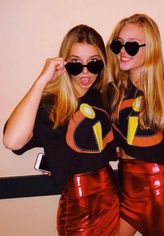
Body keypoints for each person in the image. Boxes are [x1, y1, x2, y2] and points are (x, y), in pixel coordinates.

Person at [3, 24, 119, 236]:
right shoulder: (52, 104)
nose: (85, 72)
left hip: (110, 200)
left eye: (93, 63)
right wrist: (42, 80)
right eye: (75, 64)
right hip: (77, 209)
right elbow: (12, 141)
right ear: (64, 63)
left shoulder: (104, 96)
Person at [106, 13, 164, 236]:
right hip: (126, 190)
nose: (122, 51)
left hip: (159, 194)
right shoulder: (114, 92)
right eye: (118, 44)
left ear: (151, 48)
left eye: (132, 45)